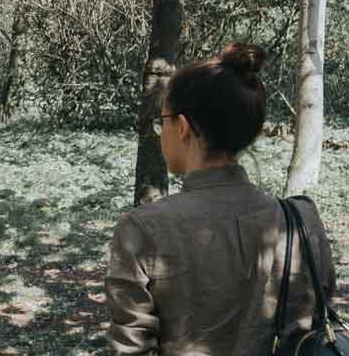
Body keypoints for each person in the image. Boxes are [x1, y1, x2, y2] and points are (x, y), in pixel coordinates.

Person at [106, 44, 335, 355]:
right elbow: (314, 324)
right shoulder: (300, 221)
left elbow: (130, 348)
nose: (161, 132)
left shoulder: (141, 230)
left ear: (183, 127)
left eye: (163, 121)